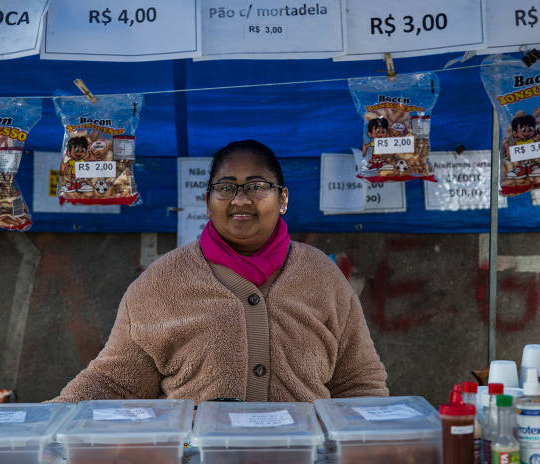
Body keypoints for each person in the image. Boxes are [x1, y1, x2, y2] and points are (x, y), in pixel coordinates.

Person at [52, 139, 388, 403]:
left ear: (283, 198)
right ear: (208, 200)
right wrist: (50, 423)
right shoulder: (161, 282)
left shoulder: (322, 277)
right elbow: (114, 382)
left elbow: (359, 383)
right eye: (226, 188)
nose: (240, 200)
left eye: (257, 186)